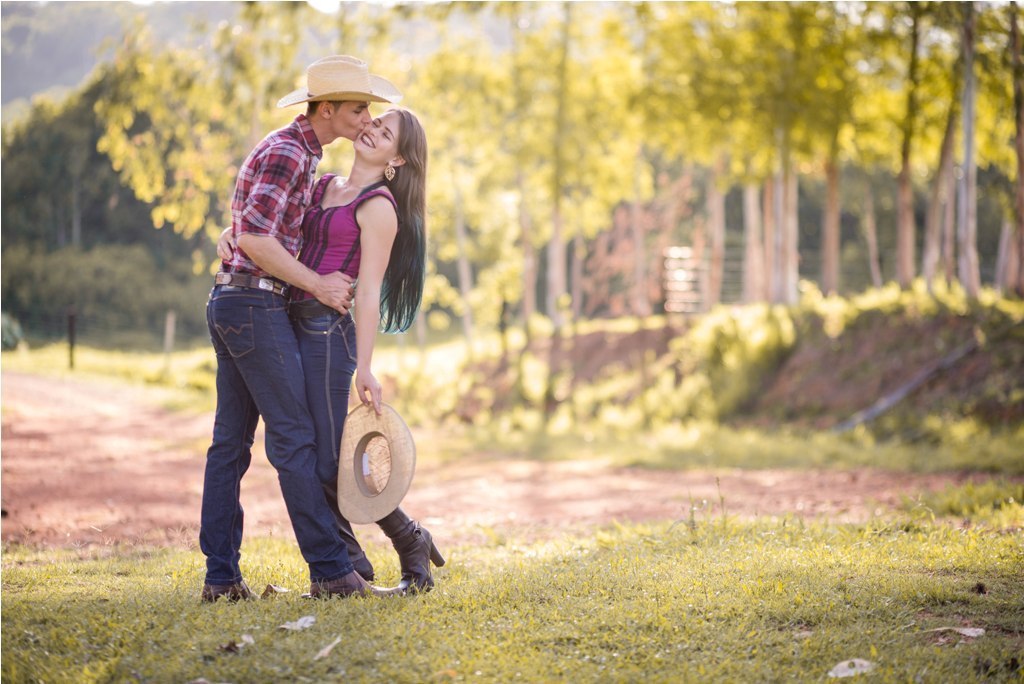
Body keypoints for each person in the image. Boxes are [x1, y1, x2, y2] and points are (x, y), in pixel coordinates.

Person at [201, 55, 403, 602]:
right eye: (359, 108)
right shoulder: (291, 152)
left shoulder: (301, 156)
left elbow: (252, 227)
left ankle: (221, 578)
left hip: (236, 302)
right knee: (295, 439)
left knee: (230, 446)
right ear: (329, 109)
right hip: (253, 308)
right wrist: (316, 283)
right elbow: (258, 242)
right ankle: (333, 572)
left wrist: (234, 232)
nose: (365, 118)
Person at [219, 108, 444, 592]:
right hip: (286, 319)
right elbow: (270, 230)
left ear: (398, 158)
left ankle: (404, 541)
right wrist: (233, 233)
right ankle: (352, 566)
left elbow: (367, 293)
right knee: (308, 453)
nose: (372, 131)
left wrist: (365, 365)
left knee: (323, 460)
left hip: (328, 333)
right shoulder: (322, 185)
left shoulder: (379, 206)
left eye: (385, 134)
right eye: (374, 122)